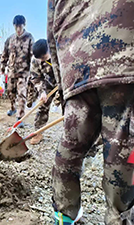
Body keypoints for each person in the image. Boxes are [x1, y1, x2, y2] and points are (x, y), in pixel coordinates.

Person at [47, 0, 134, 224]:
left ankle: (64, 215)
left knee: (71, 144)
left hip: (75, 62)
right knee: (121, 145)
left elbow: (51, 31)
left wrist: (64, 86)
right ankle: (119, 217)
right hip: (122, 52)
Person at [0, 15, 34, 128]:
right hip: (11, 71)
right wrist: (2, 68)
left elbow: (33, 56)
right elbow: (5, 54)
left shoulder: (29, 38)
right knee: (10, 91)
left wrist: (34, 70)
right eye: (16, 26)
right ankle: (13, 108)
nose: (18, 29)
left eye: (20, 26)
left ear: (24, 25)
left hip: (23, 72)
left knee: (21, 93)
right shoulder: (10, 39)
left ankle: (20, 117)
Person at [28, 39, 57, 144]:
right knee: (42, 106)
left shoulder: (58, 53)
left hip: (64, 83)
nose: (42, 60)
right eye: (39, 59)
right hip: (48, 83)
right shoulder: (35, 60)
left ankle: (71, 135)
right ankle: (38, 132)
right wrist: (42, 92)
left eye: (44, 58)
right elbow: (36, 78)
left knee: (69, 107)